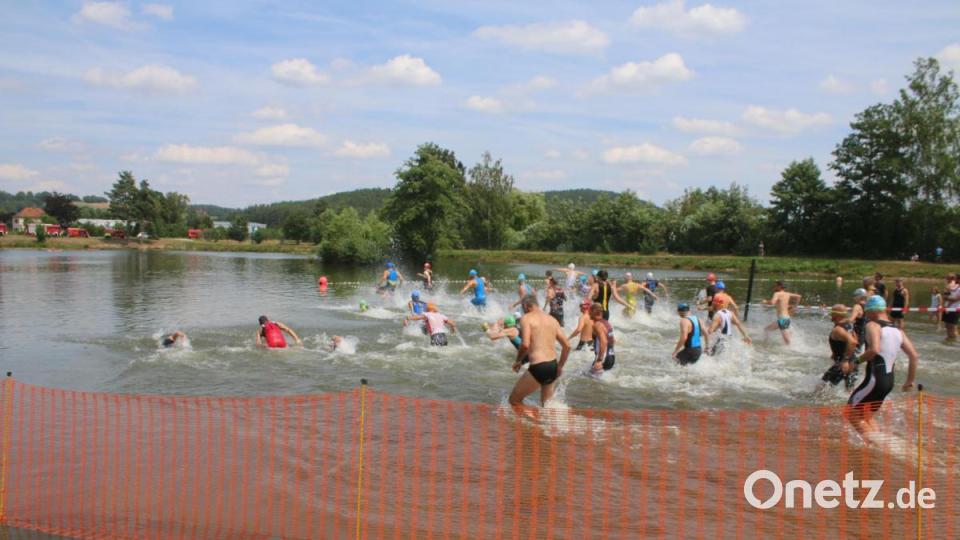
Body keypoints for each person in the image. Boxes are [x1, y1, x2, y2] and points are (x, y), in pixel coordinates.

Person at [845, 296, 919, 437]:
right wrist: (909, 381)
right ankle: (881, 445)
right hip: (888, 382)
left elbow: (874, 350)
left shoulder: (873, 325)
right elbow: (914, 356)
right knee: (865, 416)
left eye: (867, 312)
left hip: (874, 381)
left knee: (851, 413)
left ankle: (876, 446)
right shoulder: (898, 331)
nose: (866, 316)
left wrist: (855, 362)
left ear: (872, 311)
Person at [510, 295, 571, 410]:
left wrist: (518, 361)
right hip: (553, 366)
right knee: (546, 406)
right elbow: (567, 346)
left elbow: (525, 344)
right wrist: (560, 366)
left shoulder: (527, 318)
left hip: (539, 367)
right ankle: (545, 426)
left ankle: (533, 423)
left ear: (526, 306)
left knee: (514, 401)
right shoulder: (552, 319)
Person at [820, 305, 859, 389]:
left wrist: (845, 360)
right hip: (853, 363)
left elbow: (852, 342)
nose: (830, 316)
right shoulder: (849, 325)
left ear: (837, 315)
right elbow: (856, 340)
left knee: (821, 389)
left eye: (832, 314)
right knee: (849, 392)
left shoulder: (838, 329)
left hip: (842, 364)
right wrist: (835, 352)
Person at [762, 280, 801, 345]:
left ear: (780, 286)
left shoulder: (777, 294)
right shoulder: (787, 294)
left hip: (783, 319)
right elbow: (799, 296)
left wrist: (765, 302)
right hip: (785, 318)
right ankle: (765, 344)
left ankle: (793, 351)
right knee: (766, 330)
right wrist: (795, 307)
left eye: (775, 286)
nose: (774, 287)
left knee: (787, 342)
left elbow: (772, 302)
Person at [589, 303, 616, 374]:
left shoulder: (597, 325)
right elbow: (612, 340)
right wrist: (596, 348)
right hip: (611, 356)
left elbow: (604, 342)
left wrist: (599, 360)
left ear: (593, 311)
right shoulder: (606, 323)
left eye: (589, 311)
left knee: (593, 383)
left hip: (603, 358)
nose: (588, 313)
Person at [847, 289, 869, 354]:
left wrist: (843, 320)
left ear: (858, 297)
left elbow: (851, 319)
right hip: (867, 332)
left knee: (853, 352)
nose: (853, 298)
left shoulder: (857, 306)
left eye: (854, 296)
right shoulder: (868, 305)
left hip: (858, 332)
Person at [944, 273, 960, 342]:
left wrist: (947, 298)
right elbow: (945, 296)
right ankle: (949, 340)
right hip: (948, 308)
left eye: (955, 278)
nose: (954, 280)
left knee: (953, 328)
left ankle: (956, 342)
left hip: (955, 309)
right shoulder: (952, 287)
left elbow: (956, 299)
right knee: (947, 326)